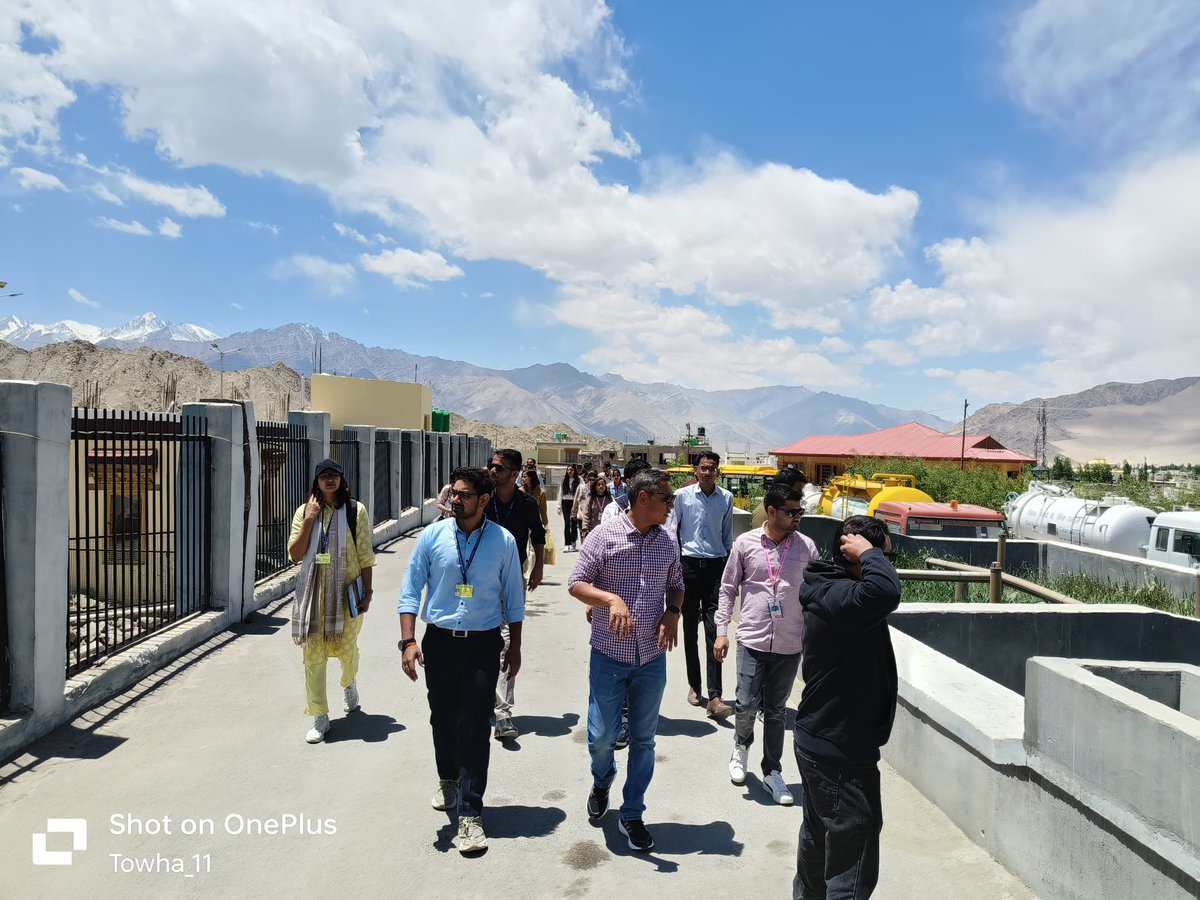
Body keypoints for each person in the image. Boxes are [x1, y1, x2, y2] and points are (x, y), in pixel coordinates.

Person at [397, 466, 525, 855]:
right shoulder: (432, 536)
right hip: (439, 642)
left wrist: (515, 648)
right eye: (454, 492)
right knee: (442, 717)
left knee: (474, 724)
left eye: (464, 494)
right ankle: (448, 777)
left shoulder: (502, 541)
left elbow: (515, 599)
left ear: (484, 500)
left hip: (483, 644)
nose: (455, 499)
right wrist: (407, 641)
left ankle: (471, 813)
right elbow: (409, 591)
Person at [568, 468, 683, 852]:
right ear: (644, 498)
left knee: (644, 739)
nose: (671, 505)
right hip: (609, 654)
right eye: (667, 498)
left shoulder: (668, 541)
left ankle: (632, 813)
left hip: (651, 658)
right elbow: (576, 582)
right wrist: (611, 599)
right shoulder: (605, 535)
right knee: (601, 737)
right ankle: (603, 780)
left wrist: (673, 611)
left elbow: (677, 585)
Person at [793, 515, 901, 900]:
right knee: (850, 865)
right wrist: (872, 553)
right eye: (884, 556)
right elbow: (887, 593)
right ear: (854, 553)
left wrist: (869, 555)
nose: (889, 563)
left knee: (819, 841)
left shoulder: (833, 590)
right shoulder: (842, 597)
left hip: (824, 740)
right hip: (839, 750)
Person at [714, 484, 817, 805]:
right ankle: (740, 746)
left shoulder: (807, 547)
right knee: (745, 704)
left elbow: (817, 594)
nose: (798, 517)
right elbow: (728, 589)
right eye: (792, 512)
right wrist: (721, 630)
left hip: (789, 644)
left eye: (800, 512)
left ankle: (772, 771)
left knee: (775, 712)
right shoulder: (745, 544)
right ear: (771, 512)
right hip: (752, 638)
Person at [288, 458, 376, 744]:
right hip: (313, 597)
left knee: (347, 649)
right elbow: (295, 553)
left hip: (346, 594)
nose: (329, 480)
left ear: (341, 479)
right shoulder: (304, 512)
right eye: (323, 476)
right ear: (316, 482)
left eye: (333, 475)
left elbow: (364, 553)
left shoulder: (355, 510)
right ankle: (320, 716)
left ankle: (349, 682)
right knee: (313, 657)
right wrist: (311, 518)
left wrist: (368, 592)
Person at [485, 449, 545, 741]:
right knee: (481, 638)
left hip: (512, 579)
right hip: (480, 578)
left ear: (515, 472)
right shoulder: (483, 499)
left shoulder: (526, 502)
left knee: (506, 640)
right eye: (492, 466)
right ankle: (483, 698)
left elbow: (538, 535)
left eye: (499, 468)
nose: (493, 471)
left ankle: (503, 712)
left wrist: (539, 568)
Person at [673, 450, 734, 718]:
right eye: (703, 468)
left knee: (714, 630)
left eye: (712, 468)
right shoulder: (682, 497)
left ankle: (716, 694)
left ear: (717, 471)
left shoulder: (727, 498)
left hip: (715, 568)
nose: (707, 472)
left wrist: (730, 570)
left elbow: (727, 535)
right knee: (689, 630)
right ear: (695, 470)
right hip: (688, 567)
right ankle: (695, 685)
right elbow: (672, 531)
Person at [580, 474, 613, 541]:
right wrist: (585, 527)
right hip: (593, 529)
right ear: (595, 487)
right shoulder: (591, 499)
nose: (601, 486)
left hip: (606, 529)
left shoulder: (609, 498)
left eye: (603, 484)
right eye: (598, 484)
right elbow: (586, 514)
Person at [561, 465, 581, 551]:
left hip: (574, 503)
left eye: (571, 470)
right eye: (568, 470)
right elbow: (560, 493)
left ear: (574, 471)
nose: (569, 471)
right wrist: (558, 505)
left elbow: (582, 490)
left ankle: (573, 542)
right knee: (567, 523)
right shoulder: (564, 480)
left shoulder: (579, 480)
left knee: (573, 523)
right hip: (565, 502)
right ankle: (567, 543)